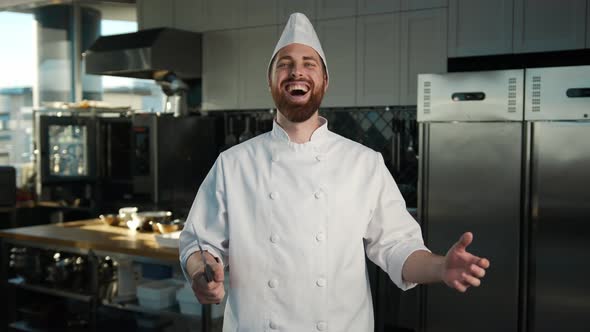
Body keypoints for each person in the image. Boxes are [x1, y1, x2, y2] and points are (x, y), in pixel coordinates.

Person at [179, 12, 490, 332]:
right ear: (270, 81)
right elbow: (197, 244)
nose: (296, 71)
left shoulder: (363, 164)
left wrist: (440, 268)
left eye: (309, 63)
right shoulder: (233, 165)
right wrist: (202, 273)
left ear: (325, 81)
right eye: (284, 63)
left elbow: (399, 248)